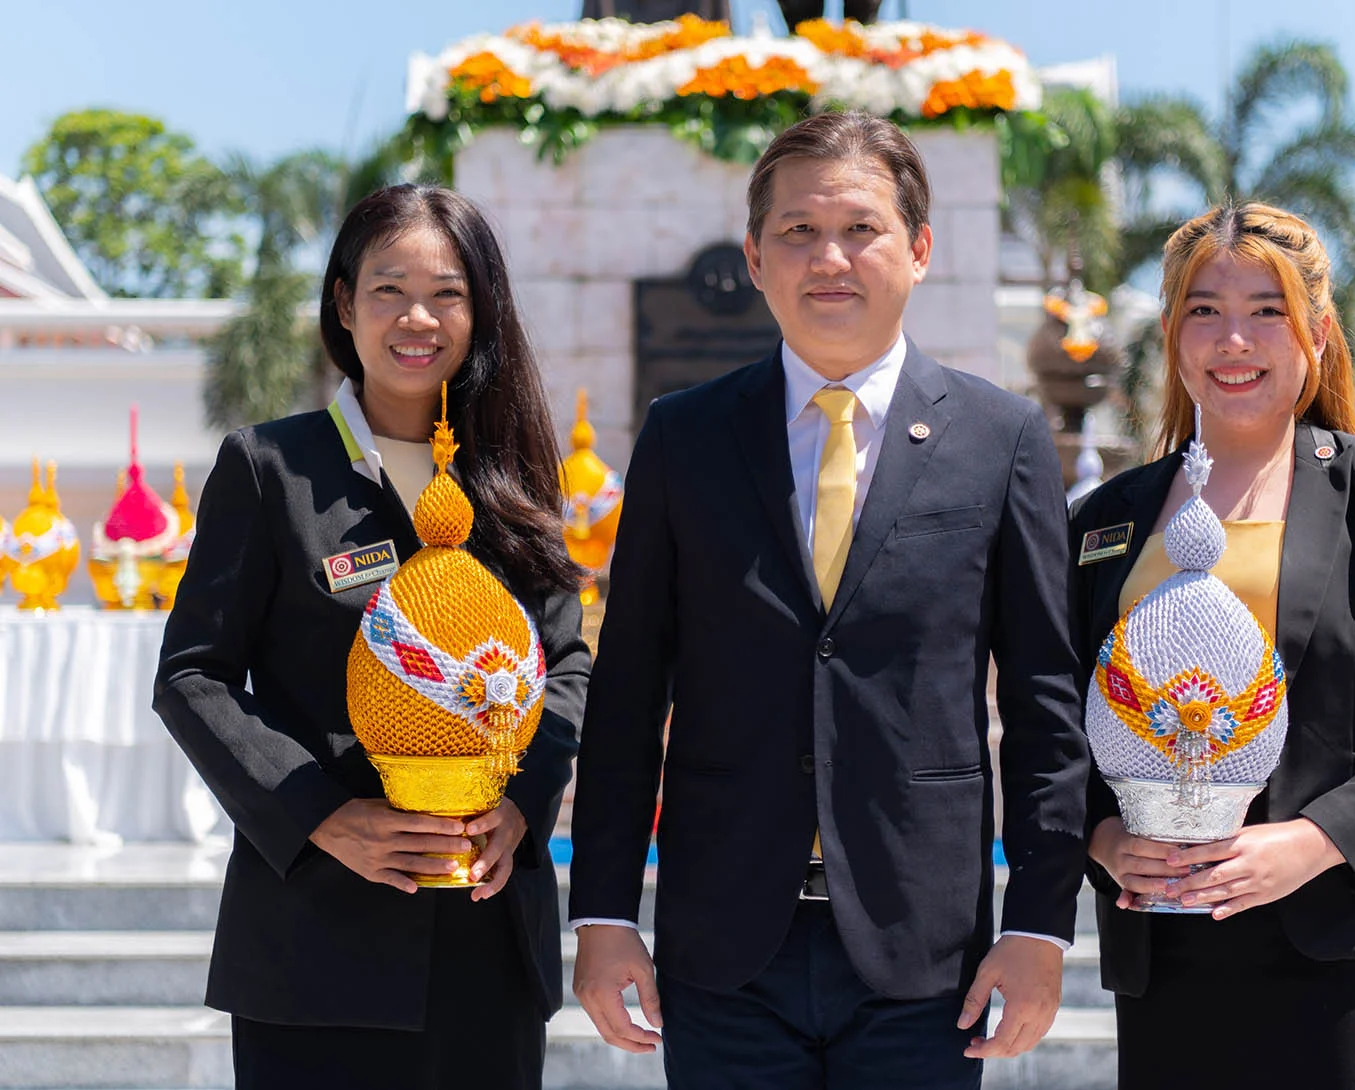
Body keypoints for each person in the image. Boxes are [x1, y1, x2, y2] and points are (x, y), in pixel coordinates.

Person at [569, 111, 1090, 1089]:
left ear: (920, 249)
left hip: (926, 953)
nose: (829, 258)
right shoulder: (684, 438)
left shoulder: (1003, 438)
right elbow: (629, 691)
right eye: (798, 231)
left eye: (860, 229)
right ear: (755, 258)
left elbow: (1043, 703)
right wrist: (603, 912)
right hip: (724, 948)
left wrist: (1038, 923)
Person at [1071, 201, 1355, 1090]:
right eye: (1204, 310)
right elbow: (1060, 715)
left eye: (1265, 311)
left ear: (1315, 332)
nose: (1232, 340)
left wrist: (1314, 842)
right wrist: (1104, 836)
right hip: (1170, 950)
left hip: (1349, 947)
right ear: (1172, 333)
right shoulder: (1105, 519)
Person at [153, 184, 589, 1090]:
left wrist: (521, 806)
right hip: (317, 943)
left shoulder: (516, 475)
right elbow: (193, 675)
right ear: (345, 304)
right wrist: (321, 816)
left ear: (481, 311)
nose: (416, 318)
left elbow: (567, 663)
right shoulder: (271, 468)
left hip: (488, 936)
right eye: (389, 289)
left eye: (447, 293)